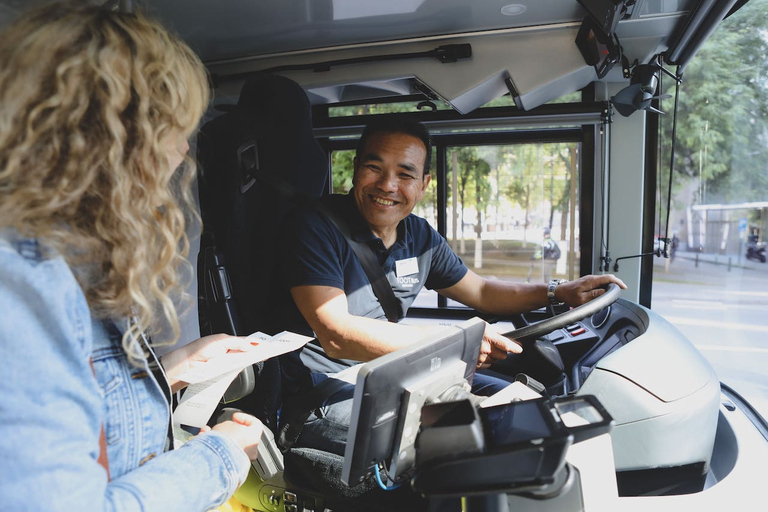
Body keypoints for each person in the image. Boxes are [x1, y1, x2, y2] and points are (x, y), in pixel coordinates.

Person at [0, 4, 263, 511]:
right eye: (172, 128)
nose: (183, 152)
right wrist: (221, 455)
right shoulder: (22, 280)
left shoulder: (71, 258)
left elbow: (69, 403)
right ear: (116, 137)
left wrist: (171, 369)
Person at [272, 116, 625, 456]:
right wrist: (456, 345)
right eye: (374, 167)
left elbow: (482, 291)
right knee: (466, 445)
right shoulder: (314, 226)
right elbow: (336, 334)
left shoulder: (420, 236)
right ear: (355, 168)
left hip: (388, 373)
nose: (388, 185)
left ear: (424, 185)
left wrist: (557, 292)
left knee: (526, 410)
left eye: (405, 173)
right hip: (322, 389)